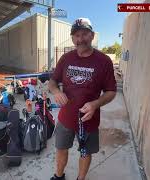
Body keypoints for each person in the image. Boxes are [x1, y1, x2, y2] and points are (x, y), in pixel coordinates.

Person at [48, 18, 117, 180]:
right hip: (66, 118)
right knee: (61, 149)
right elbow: (52, 82)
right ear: (73, 38)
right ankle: (59, 176)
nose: (80, 39)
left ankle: (81, 178)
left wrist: (96, 104)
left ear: (92, 36)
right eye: (76, 35)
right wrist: (57, 91)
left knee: (85, 153)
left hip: (89, 120)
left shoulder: (104, 61)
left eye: (84, 34)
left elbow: (111, 91)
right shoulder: (65, 59)